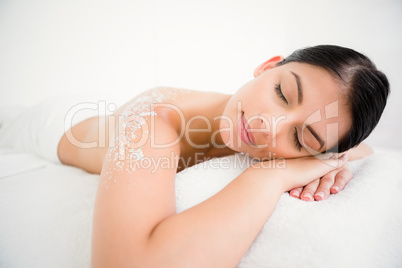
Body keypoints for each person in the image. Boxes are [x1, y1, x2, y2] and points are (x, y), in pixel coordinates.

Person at [56, 45, 389, 267]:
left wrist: (334, 161)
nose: (267, 126)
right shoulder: (154, 124)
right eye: (282, 93)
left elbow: (360, 148)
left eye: (301, 138)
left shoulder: (315, 148)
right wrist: (270, 176)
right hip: (55, 124)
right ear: (267, 67)